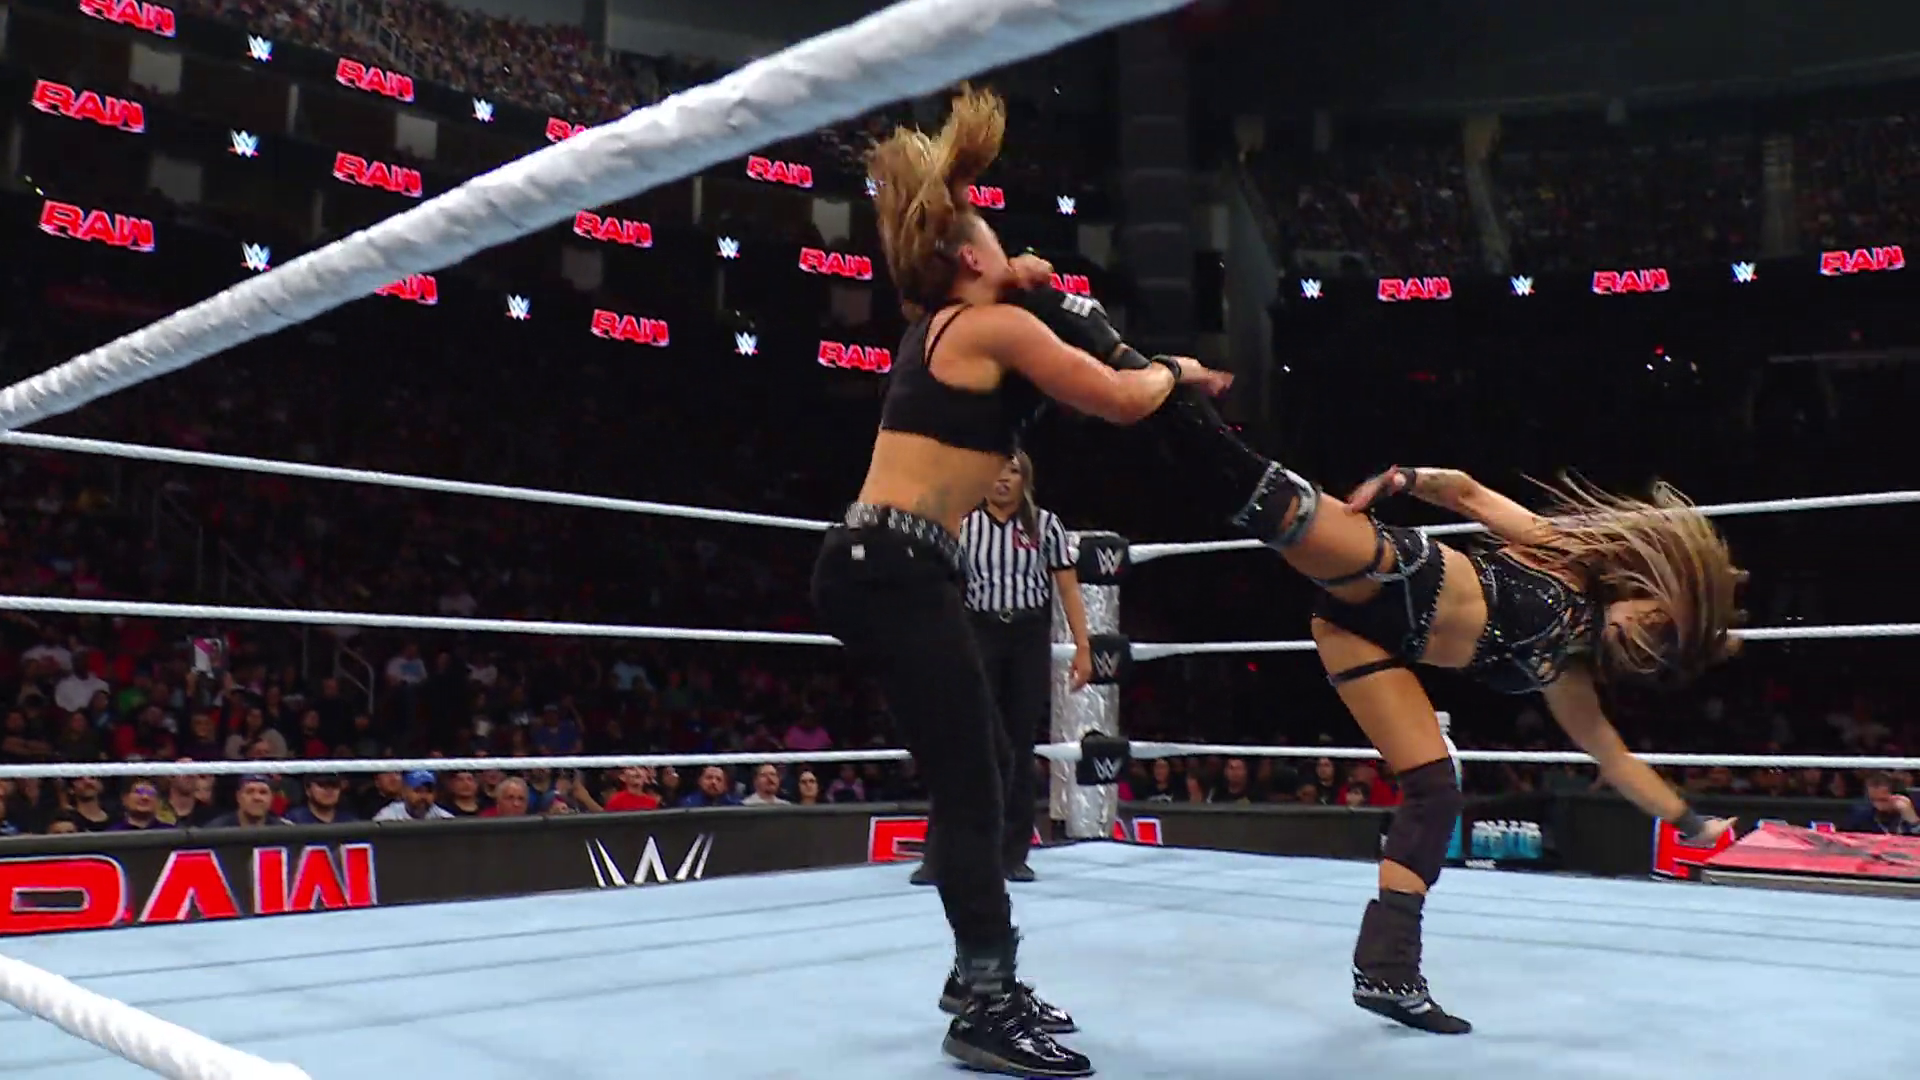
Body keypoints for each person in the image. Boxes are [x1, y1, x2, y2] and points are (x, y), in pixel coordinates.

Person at [811, 85, 1231, 1079]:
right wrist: (1175, 372)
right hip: (894, 566)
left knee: (986, 765)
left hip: (883, 564)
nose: (1013, 249)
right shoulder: (990, 329)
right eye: (995, 241)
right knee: (974, 781)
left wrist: (1021, 276)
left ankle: (978, 974)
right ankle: (986, 1001)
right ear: (969, 261)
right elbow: (1120, 398)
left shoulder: (941, 325)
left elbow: (986, 286)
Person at [913, 450, 1091, 888]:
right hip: (980, 633)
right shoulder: (964, 525)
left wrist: (1084, 647)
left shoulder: (1045, 525)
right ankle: (941, 855)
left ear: (1024, 478)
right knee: (963, 740)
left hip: (1028, 636)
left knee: (1019, 745)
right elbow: (938, 583)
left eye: (1012, 471)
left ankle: (1012, 855)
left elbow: (1068, 588)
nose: (1003, 479)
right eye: (996, 470)